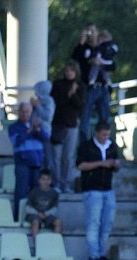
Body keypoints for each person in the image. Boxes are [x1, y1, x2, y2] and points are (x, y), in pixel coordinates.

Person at [76, 121, 119, 260]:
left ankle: (102, 252)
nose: (105, 137)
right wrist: (101, 163)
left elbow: (116, 164)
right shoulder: (86, 146)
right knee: (94, 222)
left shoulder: (112, 146)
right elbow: (80, 165)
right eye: (103, 135)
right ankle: (93, 254)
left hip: (108, 188)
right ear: (96, 133)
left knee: (107, 223)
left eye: (107, 135)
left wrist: (115, 165)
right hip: (92, 189)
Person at [9, 102, 50, 219]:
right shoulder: (13, 127)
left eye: (27, 112)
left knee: (36, 193)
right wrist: (30, 129)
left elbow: (46, 138)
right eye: (23, 112)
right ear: (19, 112)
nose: (25, 114)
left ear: (31, 113)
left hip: (36, 164)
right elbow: (17, 141)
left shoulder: (38, 126)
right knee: (21, 193)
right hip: (22, 164)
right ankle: (18, 218)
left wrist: (38, 130)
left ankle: (36, 218)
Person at [50, 61, 85, 194]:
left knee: (68, 157)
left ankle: (66, 184)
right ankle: (56, 183)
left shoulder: (80, 86)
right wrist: (68, 94)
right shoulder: (58, 85)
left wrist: (74, 94)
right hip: (58, 124)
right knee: (56, 157)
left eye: (71, 70)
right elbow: (57, 103)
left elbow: (81, 104)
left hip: (72, 125)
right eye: (67, 70)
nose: (69, 73)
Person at [25, 169, 61, 239]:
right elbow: (28, 207)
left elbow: (55, 208)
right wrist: (38, 214)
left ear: (51, 181)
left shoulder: (54, 193)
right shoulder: (33, 192)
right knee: (35, 222)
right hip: (34, 214)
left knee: (58, 222)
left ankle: (56, 243)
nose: (46, 182)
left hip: (48, 215)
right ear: (39, 180)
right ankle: (37, 243)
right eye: (43, 179)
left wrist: (46, 214)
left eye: (48, 179)